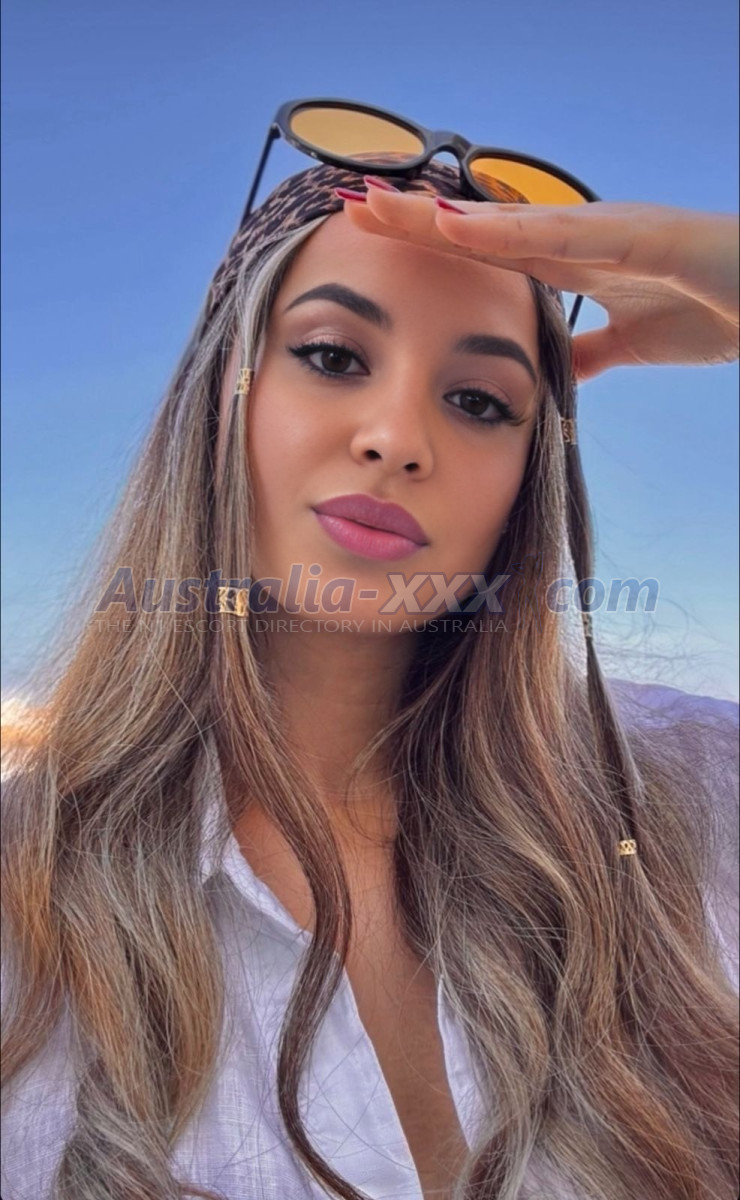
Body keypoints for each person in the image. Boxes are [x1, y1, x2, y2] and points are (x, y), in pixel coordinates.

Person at [1, 107, 738, 1200]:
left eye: (478, 400)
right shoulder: (24, 891)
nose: (396, 438)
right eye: (332, 355)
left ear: (528, 475)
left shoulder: (692, 792)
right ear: (222, 393)